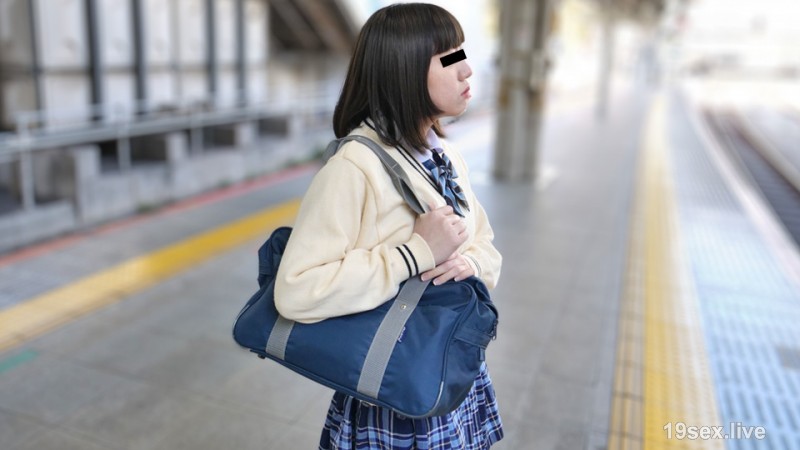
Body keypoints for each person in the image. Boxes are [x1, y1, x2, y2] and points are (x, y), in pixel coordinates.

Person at [274, 3, 503, 449]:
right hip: (390, 385)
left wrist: (470, 264)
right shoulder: (354, 167)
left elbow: (485, 243)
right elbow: (296, 289)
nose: (467, 69)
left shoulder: (445, 157)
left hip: (447, 369)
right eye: (449, 58)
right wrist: (414, 253)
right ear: (405, 68)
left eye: (462, 53)